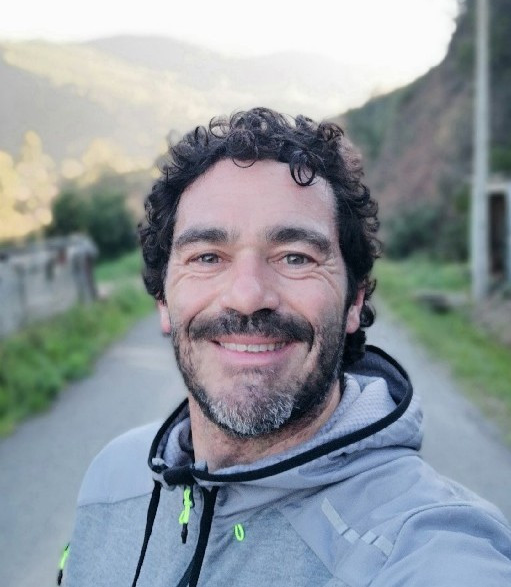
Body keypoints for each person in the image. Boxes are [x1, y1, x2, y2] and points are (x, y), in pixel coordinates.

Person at [64, 108, 511, 586]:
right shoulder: (112, 476)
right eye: (208, 257)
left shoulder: (422, 544)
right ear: (163, 300)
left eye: (295, 257)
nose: (248, 296)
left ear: (354, 301)